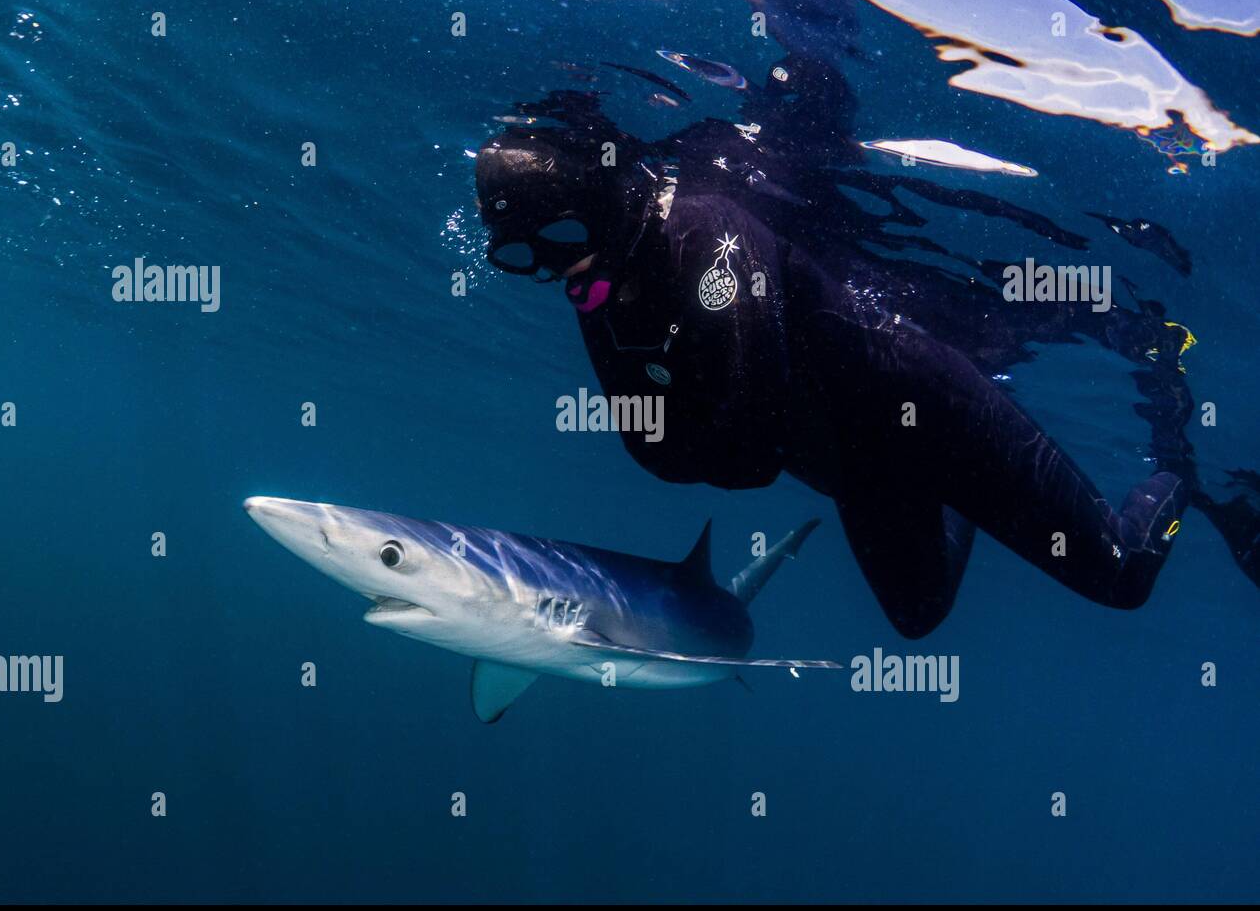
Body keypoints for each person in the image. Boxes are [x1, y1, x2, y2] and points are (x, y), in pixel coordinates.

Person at [474, 82, 1247, 638]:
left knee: (1121, 578)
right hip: (853, 460)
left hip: (926, 405)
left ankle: (1178, 461)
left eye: (565, 243)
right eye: (523, 259)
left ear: (606, 205)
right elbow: (654, 448)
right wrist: (704, 437)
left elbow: (748, 444)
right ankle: (971, 484)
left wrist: (702, 437)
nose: (558, 270)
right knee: (917, 617)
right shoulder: (597, 273)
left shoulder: (711, 240)